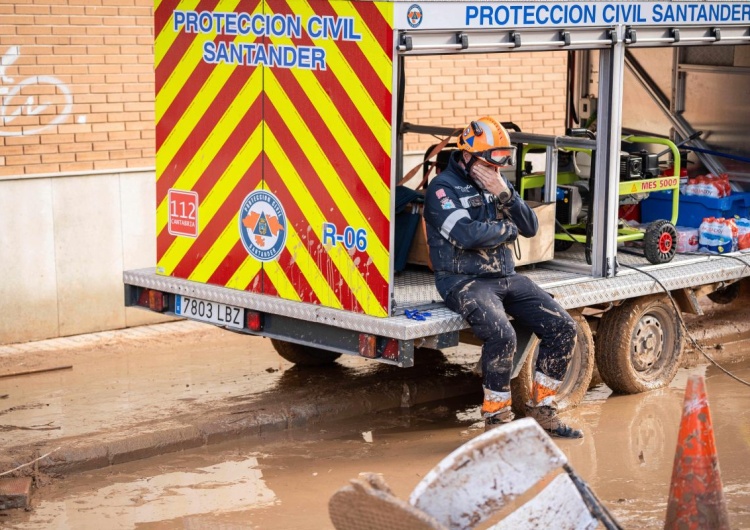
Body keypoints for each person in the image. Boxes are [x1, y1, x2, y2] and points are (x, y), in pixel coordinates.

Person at [423, 117, 582, 439]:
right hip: (462, 280)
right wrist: (506, 230)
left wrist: (504, 194)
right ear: (466, 157)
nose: (496, 168)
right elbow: (466, 235)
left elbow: (531, 227)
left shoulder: (496, 183)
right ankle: (497, 420)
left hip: (505, 276)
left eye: (501, 160)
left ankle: (544, 411)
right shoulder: (443, 188)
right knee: (502, 335)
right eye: (488, 161)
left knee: (563, 327)